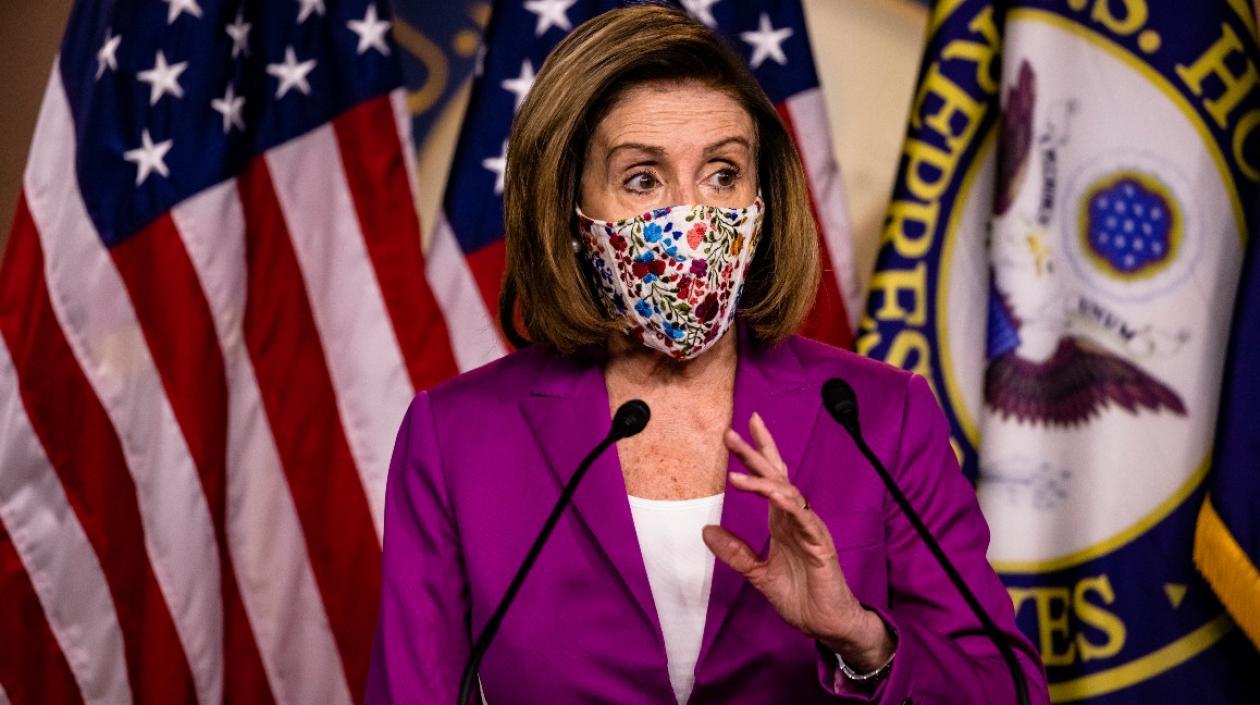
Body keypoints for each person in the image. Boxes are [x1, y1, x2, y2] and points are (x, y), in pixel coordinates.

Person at [366, 5, 1049, 704]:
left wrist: (860, 637)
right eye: (642, 179)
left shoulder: (876, 415)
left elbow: (1008, 690)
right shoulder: (457, 437)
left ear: (763, 198)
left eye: (723, 174)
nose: (690, 218)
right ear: (568, 205)